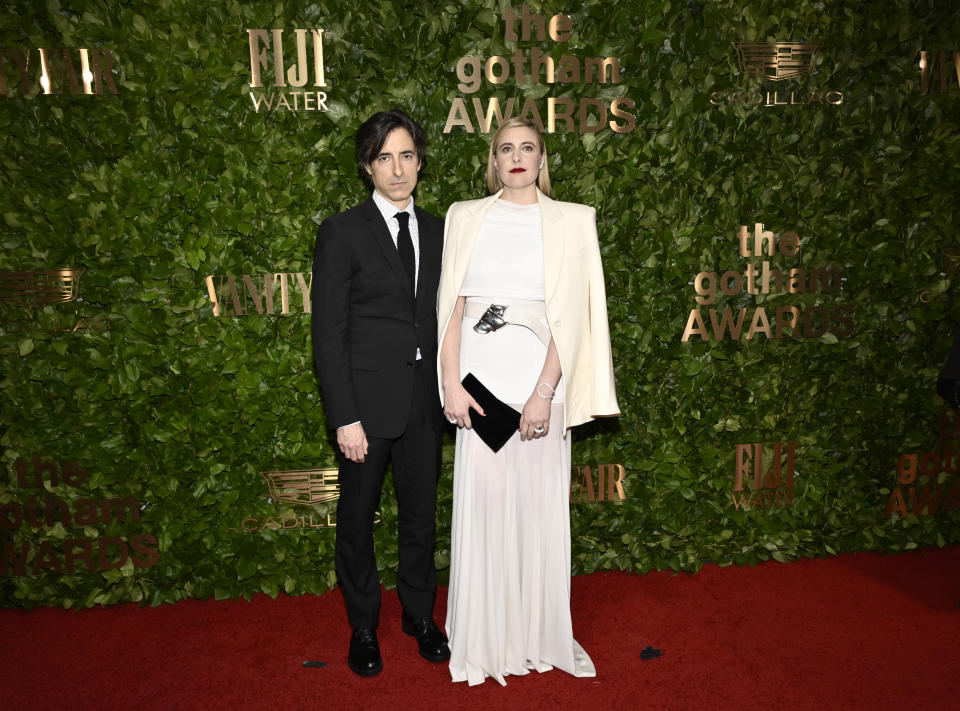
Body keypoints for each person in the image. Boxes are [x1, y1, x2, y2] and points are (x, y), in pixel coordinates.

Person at [437, 116, 620, 686]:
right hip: (478, 391)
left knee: (536, 518)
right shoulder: (465, 217)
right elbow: (450, 310)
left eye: (528, 148)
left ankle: (536, 636)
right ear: (493, 161)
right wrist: (449, 385)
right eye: (505, 148)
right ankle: (488, 640)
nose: (517, 157)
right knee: (486, 515)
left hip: (543, 389)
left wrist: (544, 394)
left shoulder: (573, 222)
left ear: (543, 159)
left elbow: (576, 319)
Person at [312, 109, 449, 677]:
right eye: (385, 158)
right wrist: (344, 416)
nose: (398, 169)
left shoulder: (442, 230)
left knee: (420, 517)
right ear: (368, 166)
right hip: (365, 409)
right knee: (357, 518)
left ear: (420, 161)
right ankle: (364, 624)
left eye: (407, 156)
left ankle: (419, 614)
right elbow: (328, 332)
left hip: (425, 402)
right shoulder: (343, 231)